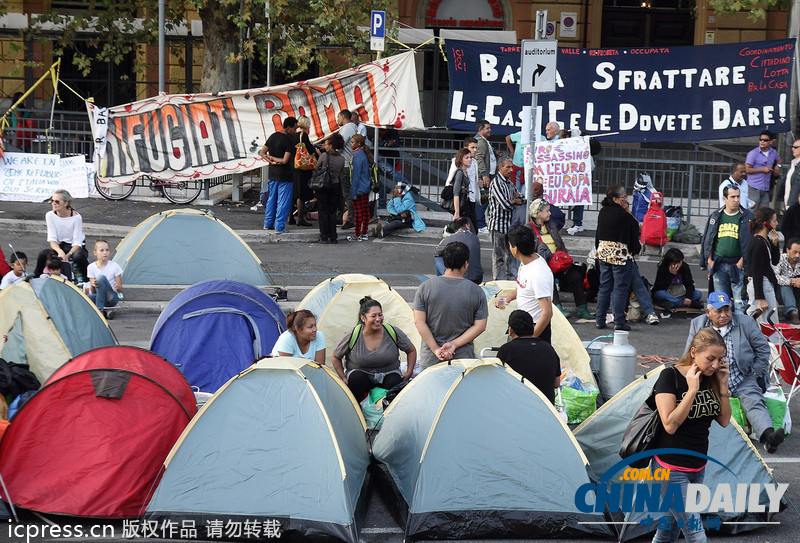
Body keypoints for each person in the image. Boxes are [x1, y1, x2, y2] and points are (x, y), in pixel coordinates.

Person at [650, 327, 731, 543]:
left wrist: (723, 385)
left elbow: (724, 420)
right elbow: (670, 424)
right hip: (670, 468)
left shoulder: (712, 378)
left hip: (697, 467)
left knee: (668, 530)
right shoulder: (670, 377)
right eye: (710, 359)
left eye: (720, 359)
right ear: (694, 352)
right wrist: (692, 390)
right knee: (696, 535)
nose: (715, 365)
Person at [687, 291, 785, 453]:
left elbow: (762, 348)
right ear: (708, 313)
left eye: (727, 310)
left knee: (754, 401)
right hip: (710, 378)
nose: (724, 315)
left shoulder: (745, 323)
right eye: (719, 311)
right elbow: (689, 354)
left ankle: (769, 438)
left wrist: (754, 372)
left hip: (742, 377)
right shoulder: (698, 324)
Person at [413, 241, 488, 369]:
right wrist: (454, 344)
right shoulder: (476, 291)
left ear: (444, 262)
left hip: (430, 360)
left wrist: (436, 349)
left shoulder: (425, 288)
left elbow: (419, 322)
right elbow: (480, 326)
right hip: (463, 360)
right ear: (466, 264)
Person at [331, 296, 417, 402]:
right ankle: (358, 410)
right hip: (361, 376)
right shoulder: (353, 334)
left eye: (380, 315)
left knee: (395, 381)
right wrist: (343, 378)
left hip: (388, 374)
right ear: (363, 318)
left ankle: (386, 413)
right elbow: (335, 356)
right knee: (357, 378)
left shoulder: (392, 331)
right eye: (373, 316)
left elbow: (411, 350)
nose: (378, 319)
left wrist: (409, 372)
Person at [528, 198, 593, 320]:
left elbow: (560, 243)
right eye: (547, 211)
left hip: (557, 262)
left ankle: (582, 308)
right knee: (548, 279)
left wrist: (563, 257)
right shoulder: (529, 229)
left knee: (576, 276)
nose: (550, 213)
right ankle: (557, 307)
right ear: (538, 213)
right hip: (542, 264)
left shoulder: (551, 225)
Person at [700, 184, 753, 314]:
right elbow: (708, 239)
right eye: (732, 197)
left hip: (737, 266)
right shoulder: (716, 216)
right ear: (724, 198)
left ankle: (740, 331)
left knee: (740, 303)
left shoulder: (747, 217)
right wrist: (709, 260)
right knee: (721, 302)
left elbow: (750, 243)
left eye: (738, 196)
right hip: (718, 264)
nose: (736, 200)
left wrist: (741, 262)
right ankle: (722, 331)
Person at [594, 184, 641, 331]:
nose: (626, 199)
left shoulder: (603, 212)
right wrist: (627, 210)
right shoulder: (624, 216)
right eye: (624, 197)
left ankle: (600, 319)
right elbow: (636, 228)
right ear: (615, 199)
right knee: (620, 288)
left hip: (603, 252)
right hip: (619, 254)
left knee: (605, 287)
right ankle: (619, 322)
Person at [497, 226, 554, 343]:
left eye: (509, 244)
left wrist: (529, 340)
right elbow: (523, 286)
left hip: (535, 328)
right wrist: (508, 298)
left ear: (515, 249)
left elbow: (547, 313)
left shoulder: (538, 273)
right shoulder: (526, 262)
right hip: (521, 326)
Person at [497, 310, 560, 404]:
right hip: (547, 410)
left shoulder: (506, 350)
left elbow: (498, 383)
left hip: (517, 407)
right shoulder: (549, 349)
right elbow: (556, 383)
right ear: (533, 328)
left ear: (510, 330)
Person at [35, 189, 88, 282]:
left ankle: (87, 279)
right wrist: (59, 251)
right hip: (59, 246)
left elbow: (77, 243)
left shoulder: (76, 218)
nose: (53, 203)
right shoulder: (50, 215)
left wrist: (67, 255)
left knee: (78, 256)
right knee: (43, 254)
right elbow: (52, 239)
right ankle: (36, 277)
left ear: (66, 203)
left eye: (57, 201)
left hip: (74, 247)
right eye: (52, 201)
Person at [260, 117, 298, 233]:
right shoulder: (289, 141)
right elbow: (285, 160)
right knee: (283, 201)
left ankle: (268, 223)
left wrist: (270, 160)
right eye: (294, 129)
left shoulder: (273, 136)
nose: (295, 131)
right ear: (289, 127)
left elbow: (262, 152)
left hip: (272, 174)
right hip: (285, 175)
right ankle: (280, 226)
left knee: (272, 199)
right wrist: (273, 159)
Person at [488, 157, 522, 280]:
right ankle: (498, 282)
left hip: (509, 226)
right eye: (508, 167)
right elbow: (505, 205)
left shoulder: (509, 183)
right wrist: (514, 201)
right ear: (500, 168)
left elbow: (522, 198)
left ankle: (512, 280)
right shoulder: (496, 182)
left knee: (512, 255)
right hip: (498, 225)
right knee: (499, 257)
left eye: (511, 167)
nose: (511, 170)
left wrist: (515, 200)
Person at [745, 207, 780, 323]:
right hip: (760, 285)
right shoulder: (758, 243)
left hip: (765, 284)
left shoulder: (766, 240)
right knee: (768, 323)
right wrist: (760, 298)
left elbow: (774, 261)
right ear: (767, 224)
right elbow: (756, 272)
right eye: (774, 221)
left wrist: (775, 244)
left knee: (768, 321)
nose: (777, 223)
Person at [314, 133, 346, 244]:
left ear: (331, 145)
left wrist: (319, 156)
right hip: (335, 186)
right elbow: (340, 171)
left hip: (324, 186)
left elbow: (316, 168)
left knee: (323, 211)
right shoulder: (342, 159)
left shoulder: (324, 156)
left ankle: (324, 236)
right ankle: (333, 236)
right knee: (332, 211)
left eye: (326, 144)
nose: (325, 146)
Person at [651, 247, 702, 315]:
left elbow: (689, 284)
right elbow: (660, 287)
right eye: (674, 263)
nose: (676, 265)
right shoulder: (663, 267)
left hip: (680, 293)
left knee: (698, 294)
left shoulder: (685, 267)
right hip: (667, 293)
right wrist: (671, 274)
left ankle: (674, 303)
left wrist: (688, 298)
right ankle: (689, 304)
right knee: (659, 294)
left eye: (679, 262)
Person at [434, 218, 483, 284]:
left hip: (462, 276)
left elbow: (437, 252)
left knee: (438, 259)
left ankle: (443, 281)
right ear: (467, 225)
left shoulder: (450, 238)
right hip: (477, 277)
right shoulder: (475, 238)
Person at [290, 115, 318, 227]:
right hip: (302, 168)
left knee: (293, 194)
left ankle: (290, 217)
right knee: (301, 194)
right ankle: (300, 219)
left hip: (293, 166)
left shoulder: (293, 135)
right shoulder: (303, 135)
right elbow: (310, 151)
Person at [86, 239, 123, 320]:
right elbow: (93, 291)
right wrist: (93, 284)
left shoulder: (115, 266)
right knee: (84, 299)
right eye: (102, 250)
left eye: (107, 250)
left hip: (111, 297)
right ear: (95, 253)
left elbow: (120, 288)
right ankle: (107, 312)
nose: (105, 252)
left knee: (100, 278)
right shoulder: (91, 267)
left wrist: (117, 287)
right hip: (99, 295)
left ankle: (99, 310)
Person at [745, 130, 781, 210]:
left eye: (765, 140)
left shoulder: (773, 152)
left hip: (765, 187)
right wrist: (762, 169)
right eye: (760, 139)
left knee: (764, 211)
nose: (762, 142)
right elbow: (747, 170)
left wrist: (778, 166)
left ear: (771, 142)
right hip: (754, 186)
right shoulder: (753, 153)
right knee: (752, 210)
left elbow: (779, 159)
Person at [337, 109, 359, 229]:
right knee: (343, 192)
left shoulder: (347, 128)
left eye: (338, 117)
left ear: (342, 116)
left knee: (347, 193)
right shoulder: (353, 128)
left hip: (345, 165)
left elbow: (339, 145)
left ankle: (351, 219)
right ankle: (341, 216)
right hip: (347, 164)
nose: (337, 120)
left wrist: (329, 147)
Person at [347, 134, 372, 242]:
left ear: (358, 143)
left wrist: (353, 191)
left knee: (358, 212)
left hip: (359, 188)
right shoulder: (364, 154)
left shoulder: (357, 155)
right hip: (365, 186)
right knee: (365, 211)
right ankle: (364, 233)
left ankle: (357, 234)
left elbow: (355, 175)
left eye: (352, 142)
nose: (350, 144)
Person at [474, 119, 496, 233]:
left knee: (485, 199)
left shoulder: (483, 141)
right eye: (487, 128)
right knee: (483, 200)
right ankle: (480, 224)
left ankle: (480, 223)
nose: (489, 130)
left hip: (487, 175)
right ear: (481, 130)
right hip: (484, 176)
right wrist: (484, 175)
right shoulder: (481, 142)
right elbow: (479, 158)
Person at [450, 147, 477, 230]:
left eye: (470, 157)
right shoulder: (459, 173)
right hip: (462, 207)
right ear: (461, 159)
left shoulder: (466, 172)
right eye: (467, 158)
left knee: (472, 228)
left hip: (466, 204)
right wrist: (457, 212)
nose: (470, 160)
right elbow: (456, 193)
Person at [775, 237, 800, 324]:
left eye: (799, 253)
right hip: (780, 294)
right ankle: (793, 313)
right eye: (795, 252)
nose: (797, 255)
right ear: (787, 250)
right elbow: (775, 277)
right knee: (785, 285)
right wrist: (791, 281)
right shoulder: (780, 259)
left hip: (796, 293)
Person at [783, 138, 800, 211]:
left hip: (796, 203)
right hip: (789, 202)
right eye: (792, 147)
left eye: (795, 147)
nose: (793, 149)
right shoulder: (793, 163)